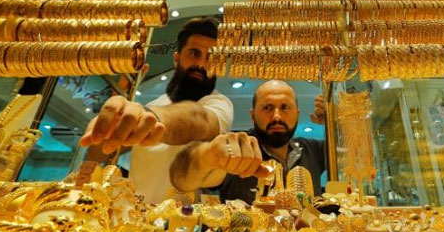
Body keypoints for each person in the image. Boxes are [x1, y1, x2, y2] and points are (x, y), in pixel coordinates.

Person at [79, 17, 233, 204]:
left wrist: (151, 118)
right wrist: (105, 130)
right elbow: (100, 153)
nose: (201, 63)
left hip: (184, 227)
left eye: (211, 58)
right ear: (176, 59)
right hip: (134, 222)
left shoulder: (219, 104)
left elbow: (198, 119)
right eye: (194, 53)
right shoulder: (153, 105)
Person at [170, 80, 325, 204]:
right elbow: (182, 179)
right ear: (252, 115)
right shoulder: (236, 149)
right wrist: (207, 156)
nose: (277, 116)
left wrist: (335, 121)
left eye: (285, 107)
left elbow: (347, 159)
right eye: (267, 108)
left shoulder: (313, 150)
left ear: (297, 114)